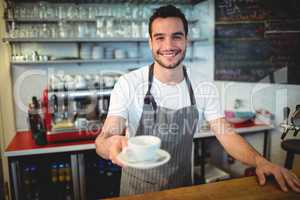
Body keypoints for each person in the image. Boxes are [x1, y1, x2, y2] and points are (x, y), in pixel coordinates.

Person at [95, 5, 300, 196]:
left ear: (186, 40)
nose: (168, 45)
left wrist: (260, 161)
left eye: (176, 36)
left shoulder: (202, 85)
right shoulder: (128, 83)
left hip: (183, 187)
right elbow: (105, 138)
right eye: (159, 37)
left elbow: (225, 133)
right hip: (137, 190)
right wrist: (109, 143)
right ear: (150, 42)